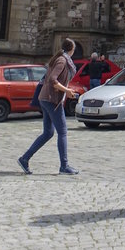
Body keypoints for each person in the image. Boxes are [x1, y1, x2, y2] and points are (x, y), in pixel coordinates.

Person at [18, 38, 80, 176]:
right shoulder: (62, 61)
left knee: (48, 133)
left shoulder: (59, 59)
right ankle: (64, 166)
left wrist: (66, 91)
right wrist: (67, 91)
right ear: (72, 49)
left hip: (46, 99)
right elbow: (53, 79)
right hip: (51, 100)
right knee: (62, 132)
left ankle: (24, 159)